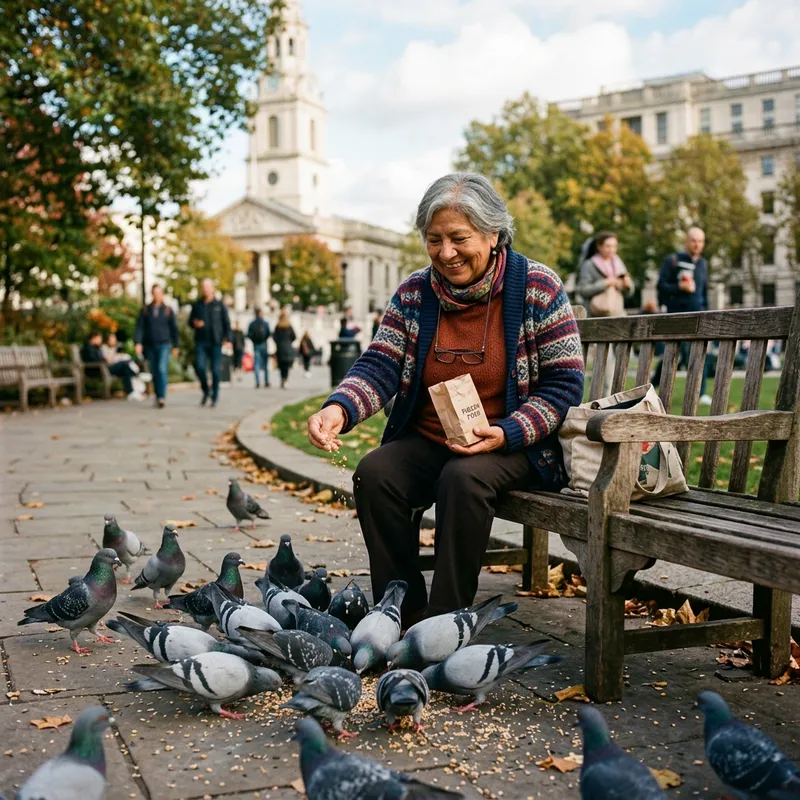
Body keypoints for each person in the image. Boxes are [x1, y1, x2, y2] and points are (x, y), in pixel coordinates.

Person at [305, 172, 584, 624]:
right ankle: (403, 611)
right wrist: (339, 408)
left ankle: (443, 622)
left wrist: (506, 431)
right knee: (376, 474)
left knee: (464, 478)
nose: (446, 253)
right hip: (434, 438)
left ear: (493, 234)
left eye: (459, 238)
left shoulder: (538, 287)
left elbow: (564, 385)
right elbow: (380, 364)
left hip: (513, 444)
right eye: (434, 239)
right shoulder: (416, 293)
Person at [653, 227, 711, 404]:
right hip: (677, 315)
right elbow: (661, 286)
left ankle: (700, 393)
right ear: (686, 241)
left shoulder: (703, 263)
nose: (697, 244)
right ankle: (652, 385)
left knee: (698, 354)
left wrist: (707, 312)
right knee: (675, 355)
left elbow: (704, 291)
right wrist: (679, 287)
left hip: (698, 314)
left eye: (700, 241)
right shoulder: (673, 260)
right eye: (693, 240)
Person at [577, 231, 634, 394]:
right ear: (599, 247)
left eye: (614, 246)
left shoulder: (618, 263)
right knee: (605, 364)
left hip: (619, 316)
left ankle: (618, 396)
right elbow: (583, 290)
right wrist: (605, 283)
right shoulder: (590, 265)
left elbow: (629, 293)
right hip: (599, 319)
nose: (611, 250)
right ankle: (604, 396)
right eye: (608, 246)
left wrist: (627, 284)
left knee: (621, 361)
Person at [134, 284, 179, 408]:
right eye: (155, 293)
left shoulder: (168, 310)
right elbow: (140, 328)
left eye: (159, 293)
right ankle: (157, 395)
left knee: (161, 369)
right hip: (150, 345)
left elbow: (174, 329)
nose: (157, 295)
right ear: (152, 294)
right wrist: (138, 342)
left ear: (162, 294)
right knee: (154, 371)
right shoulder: (145, 310)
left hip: (164, 344)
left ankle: (162, 397)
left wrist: (176, 345)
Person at [188, 277, 231, 407]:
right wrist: (195, 323)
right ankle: (206, 390)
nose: (206, 290)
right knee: (200, 367)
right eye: (204, 287)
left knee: (215, 370)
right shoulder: (197, 305)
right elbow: (190, 321)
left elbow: (226, 323)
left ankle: (215, 395)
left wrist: (228, 339)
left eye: (208, 287)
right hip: (201, 341)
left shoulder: (219, 305)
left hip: (215, 341)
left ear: (212, 289)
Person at [81, 331, 142, 401]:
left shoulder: (95, 348)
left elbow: (99, 359)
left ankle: (130, 392)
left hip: (103, 368)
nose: (100, 340)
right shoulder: (88, 348)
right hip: (99, 370)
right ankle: (136, 374)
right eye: (99, 338)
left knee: (125, 370)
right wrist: (106, 361)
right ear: (93, 338)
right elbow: (94, 361)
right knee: (124, 364)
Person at [247, 307, 271, 388]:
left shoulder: (252, 323)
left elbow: (249, 334)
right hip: (264, 344)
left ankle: (257, 382)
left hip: (256, 344)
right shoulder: (265, 323)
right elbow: (268, 333)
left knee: (256, 363)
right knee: (265, 364)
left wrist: (254, 340)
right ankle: (266, 381)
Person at [273, 308, 297, 389]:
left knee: (281, 365)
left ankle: (282, 379)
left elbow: (274, 337)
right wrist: (289, 342)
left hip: (280, 348)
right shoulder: (289, 326)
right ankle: (286, 380)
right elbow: (294, 336)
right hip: (287, 347)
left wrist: (278, 343)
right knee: (286, 365)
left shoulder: (278, 326)